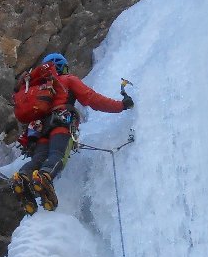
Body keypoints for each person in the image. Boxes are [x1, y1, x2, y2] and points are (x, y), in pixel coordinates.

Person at [11, 52, 134, 213]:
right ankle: (44, 177)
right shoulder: (68, 80)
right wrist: (121, 105)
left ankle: (23, 177)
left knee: (39, 158)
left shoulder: (36, 87)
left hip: (38, 129)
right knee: (58, 154)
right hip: (61, 122)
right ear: (63, 66)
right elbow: (92, 99)